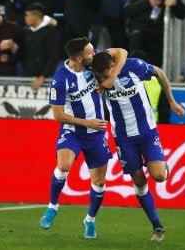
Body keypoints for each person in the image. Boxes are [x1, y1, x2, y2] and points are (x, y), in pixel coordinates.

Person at [91, 51, 185, 241]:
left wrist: (172, 101)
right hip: (123, 137)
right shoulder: (96, 75)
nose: (103, 80)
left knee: (159, 176)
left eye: (105, 76)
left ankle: (162, 166)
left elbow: (159, 72)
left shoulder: (133, 66)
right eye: (100, 77)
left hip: (147, 132)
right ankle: (157, 226)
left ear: (113, 67)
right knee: (139, 181)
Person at [40, 37, 127, 239]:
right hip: (72, 130)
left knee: (99, 182)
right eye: (89, 53)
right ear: (79, 58)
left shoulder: (93, 61)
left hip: (96, 135)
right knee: (64, 166)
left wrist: (110, 78)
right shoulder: (60, 79)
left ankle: (90, 221)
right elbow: (58, 115)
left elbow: (121, 51)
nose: (94, 54)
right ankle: (53, 206)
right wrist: (88, 122)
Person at [124, 0, 185, 67]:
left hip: (158, 37)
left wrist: (175, 4)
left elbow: (183, 13)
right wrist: (146, 3)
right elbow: (127, 11)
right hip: (140, 36)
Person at [20, 2, 60, 90]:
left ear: (36, 16)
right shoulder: (26, 32)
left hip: (44, 81)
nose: (25, 18)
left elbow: (53, 57)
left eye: (27, 15)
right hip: (27, 76)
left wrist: (42, 77)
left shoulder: (50, 32)